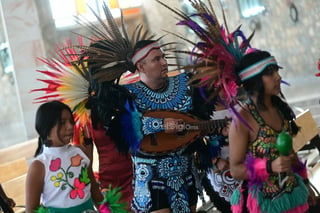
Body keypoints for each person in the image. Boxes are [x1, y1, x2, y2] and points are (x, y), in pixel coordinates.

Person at [228, 50, 317, 212]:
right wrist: (269, 166)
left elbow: (290, 154)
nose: (278, 77)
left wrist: (306, 183)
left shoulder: (279, 108)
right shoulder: (242, 119)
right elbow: (235, 169)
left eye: (277, 70)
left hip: (293, 196)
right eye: (270, 73)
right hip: (264, 204)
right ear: (255, 80)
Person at [25, 101, 103, 213]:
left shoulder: (81, 152)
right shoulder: (39, 166)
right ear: (46, 128)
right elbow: (31, 210)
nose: (70, 127)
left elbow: (94, 190)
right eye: (62, 123)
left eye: (71, 121)